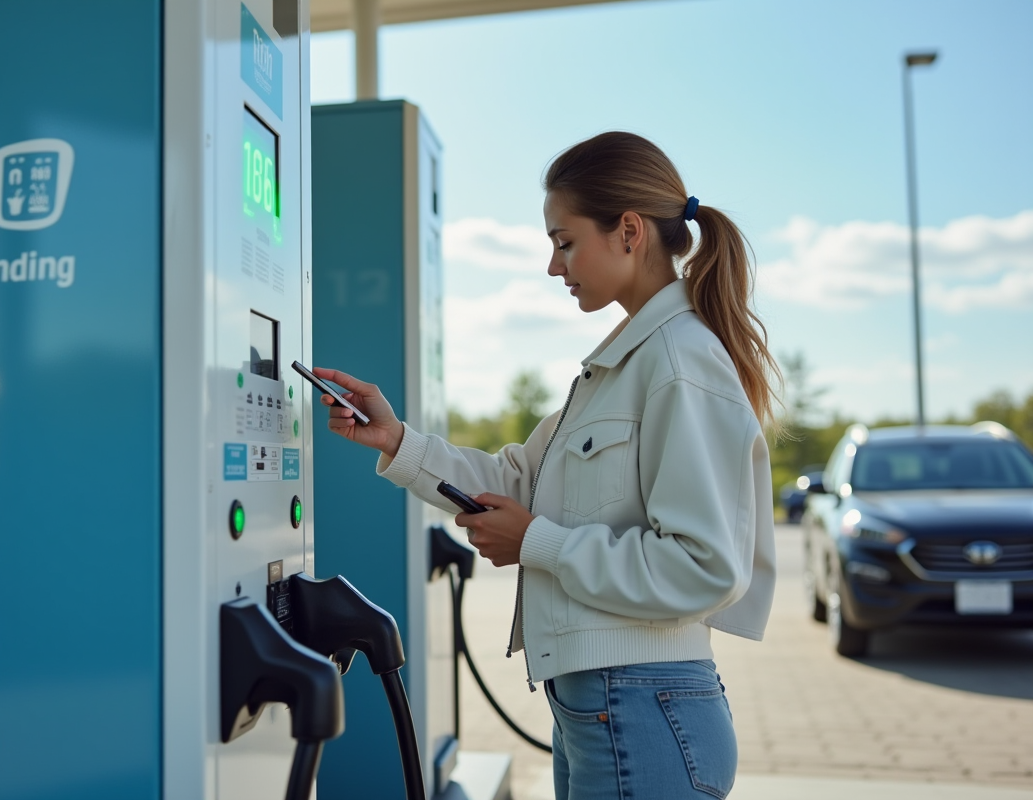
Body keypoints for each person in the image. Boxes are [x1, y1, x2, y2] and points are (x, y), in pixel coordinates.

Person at [313, 131, 778, 800]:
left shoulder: (679, 361)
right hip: (604, 705)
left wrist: (537, 542)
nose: (555, 267)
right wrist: (396, 441)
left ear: (628, 232)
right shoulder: (622, 362)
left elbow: (705, 566)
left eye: (565, 242)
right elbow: (518, 482)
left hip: (640, 704)